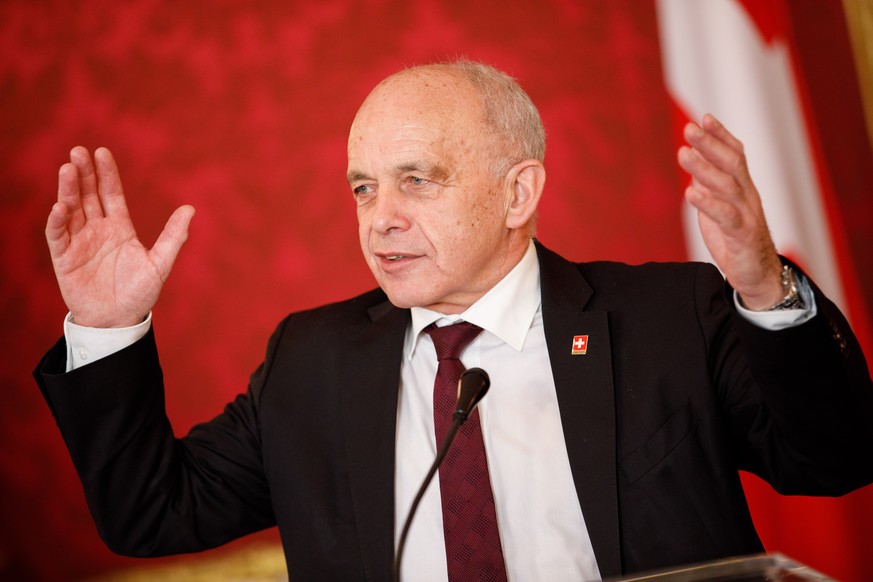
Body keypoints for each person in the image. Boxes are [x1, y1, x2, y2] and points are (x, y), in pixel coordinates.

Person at [34, 61, 873, 581]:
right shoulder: (312, 361)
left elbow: (833, 461)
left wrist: (764, 290)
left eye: (417, 180)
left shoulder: (667, 317)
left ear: (518, 192)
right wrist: (105, 329)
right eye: (364, 187)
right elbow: (154, 513)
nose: (379, 218)